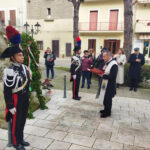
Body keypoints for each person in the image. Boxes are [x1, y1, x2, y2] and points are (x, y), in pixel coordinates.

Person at [1, 44, 30, 150]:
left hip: (24, 98)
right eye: (19, 55)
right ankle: (15, 142)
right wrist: (10, 105)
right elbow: (7, 91)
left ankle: (21, 139)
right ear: (13, 57)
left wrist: (28, 97)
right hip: (16, 99)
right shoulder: (9, 70)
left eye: (22, 55)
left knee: (22, 120)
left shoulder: (24, 67)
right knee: (16, 122)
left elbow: (27, 84)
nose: (22, 57)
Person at [99, 51, 118, 118]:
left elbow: (113, 77)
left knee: (108, 99)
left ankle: (108, 112)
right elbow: (105, 71)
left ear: (109, 56)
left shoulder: (114, 64)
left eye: (104, 56)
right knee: (105, 98)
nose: (103, 58)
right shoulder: (107, 63)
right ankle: (105, 109)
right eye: (103, 56)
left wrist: (103, 75)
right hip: (105, 83)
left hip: (110, 85)